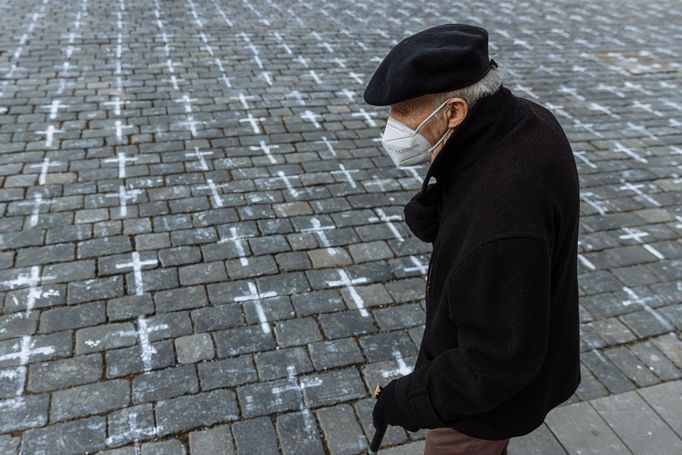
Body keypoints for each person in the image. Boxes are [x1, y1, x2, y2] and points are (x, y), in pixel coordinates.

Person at [365, 24, 582, 455]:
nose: (393, 126)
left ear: (455, 112)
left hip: (477, 409)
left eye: (405, 111)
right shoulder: (526, 118)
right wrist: (445, 205)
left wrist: (407, 400)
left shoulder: (501, 218)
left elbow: (495, 361)